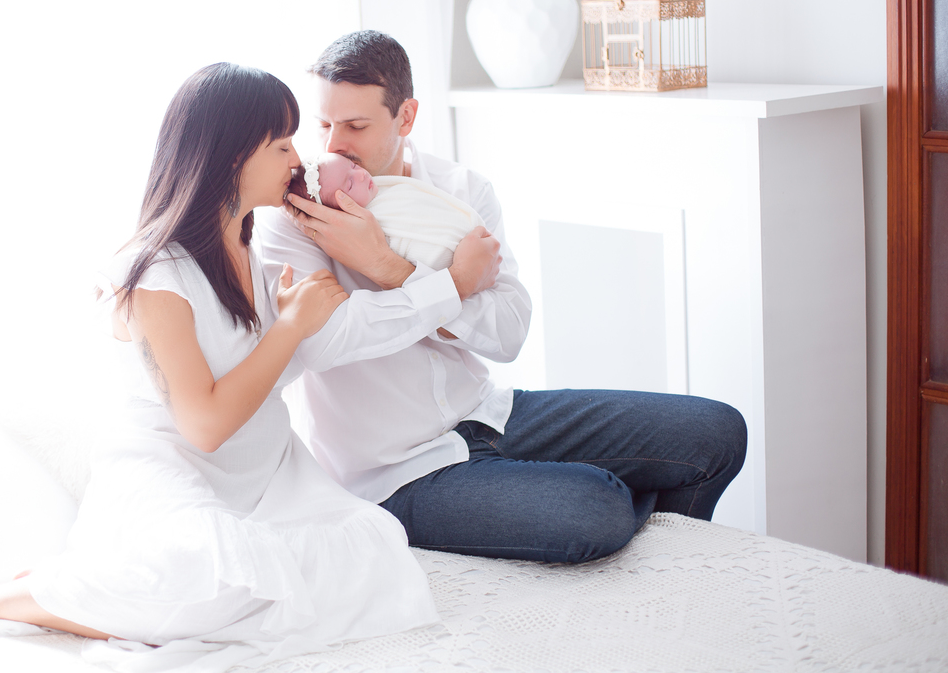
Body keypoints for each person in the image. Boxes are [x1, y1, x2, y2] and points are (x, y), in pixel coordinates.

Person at [0, 63, 438, 670]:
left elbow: (279, 366)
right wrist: (289, 328)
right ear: (232, 156)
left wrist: (412, 284)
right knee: (203, 573)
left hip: (267, 474)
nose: (298, 159)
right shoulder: (154, 276)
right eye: (282, 145)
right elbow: (204, 426)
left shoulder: (251, 246)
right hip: (173, 476)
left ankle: (95, 589)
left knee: (372, 549)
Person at [255, 30, 748, 565]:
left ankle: (654, 558)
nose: (333, 145)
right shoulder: (298, 215)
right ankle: (605, 520)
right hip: (393, 473)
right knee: (596, 505)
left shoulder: (460, 190)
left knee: (715, 433)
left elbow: (509, 331)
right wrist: (453, 284)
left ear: (406, 117)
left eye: (355, 126)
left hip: (489, 415)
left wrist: (389, 269)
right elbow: (326, 343)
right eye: (323, 124)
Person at [289, 151, 484, 270]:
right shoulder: (368, 228)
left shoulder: (386, 190)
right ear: (336, 214)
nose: (361, 175)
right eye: (349, 184)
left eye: (353, 166)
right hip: (443, 254)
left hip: (470, 238)